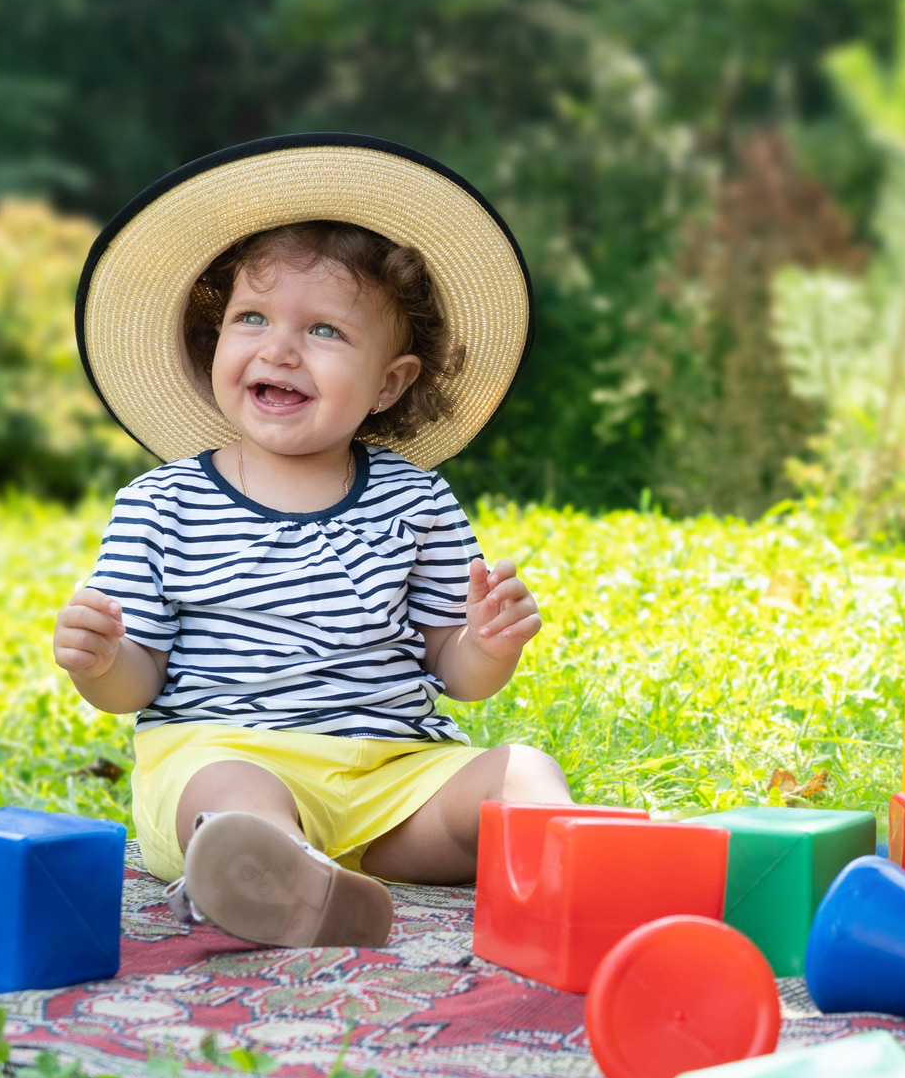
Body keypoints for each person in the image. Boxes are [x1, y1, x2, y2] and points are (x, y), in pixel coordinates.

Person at [51, 136, 571, 949]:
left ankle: (575, 878)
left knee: (522, 770)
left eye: (324, 330)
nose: (280, 347)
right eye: (251, 318)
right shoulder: (163, 504)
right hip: (227, 753)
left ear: (390, 382)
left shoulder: (415, 497)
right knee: (230, 792)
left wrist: (489, 643)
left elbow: (455, 672)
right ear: (216, 339)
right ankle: (275, 871)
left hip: (392, 782)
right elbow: (135, 681)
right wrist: (100, 662)